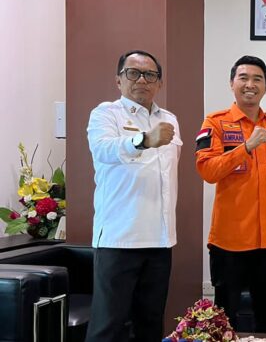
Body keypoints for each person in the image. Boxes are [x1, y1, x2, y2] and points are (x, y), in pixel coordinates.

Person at [195, 55, 266, 332]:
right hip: (230, 241)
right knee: (224, 318)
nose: (250, 84)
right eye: (243, 78)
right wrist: (246, 148)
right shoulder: (215, 123)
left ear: (265, 87)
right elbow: (208, 171)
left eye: (257, 79)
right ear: (232, 83)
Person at [86, 50, 181, 342]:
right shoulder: (106, 114)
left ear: (159, 83)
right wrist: (143, 140)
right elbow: (103, 149)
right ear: (119, 80)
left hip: (160, 239)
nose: (142, 80)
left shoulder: (169, 119)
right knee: (108, 327)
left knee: (150, 325)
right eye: (133, 73)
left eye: (150, 75)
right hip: (120, 238)